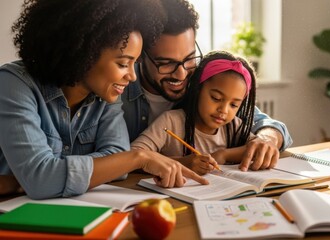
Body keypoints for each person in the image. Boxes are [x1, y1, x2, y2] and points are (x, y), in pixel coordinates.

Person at [0, 0, 208, 199]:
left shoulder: (105, 95)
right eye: (123, 64)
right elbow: (42, 180)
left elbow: (117, 159)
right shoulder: (13, 85)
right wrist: (139, 158)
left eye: (134, 63)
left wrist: (28, 179)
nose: (132, 76)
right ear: (84, 53)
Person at [122, 0, 293, 172]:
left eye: (189, 58)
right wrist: (183, 162)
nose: (181, 75)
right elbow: (128, 158)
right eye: (165, 63)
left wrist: (266, 139)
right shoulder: (117, 90)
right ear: (140, 55)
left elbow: (264, 123)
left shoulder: (201, 80)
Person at [131, 51, 257, 175]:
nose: (224, 110)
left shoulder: (234, 126)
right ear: (198, 89)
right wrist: (183, 163)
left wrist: (223, 155)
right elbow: (132, 156)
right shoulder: (171, 122)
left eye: (234, 105)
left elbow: (257, 148)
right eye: (216, 98)